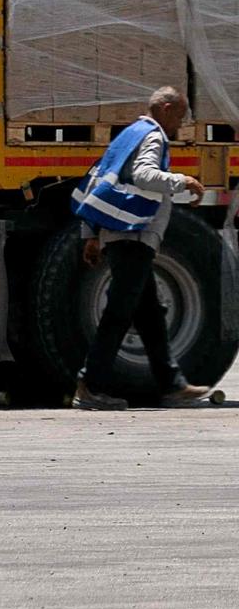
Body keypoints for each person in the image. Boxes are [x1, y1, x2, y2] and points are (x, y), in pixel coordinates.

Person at [70, 86, 218, 410]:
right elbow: (144, 174)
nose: (179, 126)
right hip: (132, 235)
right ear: (165, 108)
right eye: (178, 117)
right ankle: (90, 385)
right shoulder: (153, 136)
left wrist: (91, 234)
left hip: (120, 234)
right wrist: (182, 181)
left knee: (150, 314)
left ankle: (172, 385)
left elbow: (99, 180)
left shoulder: (128, 135)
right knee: (118, 313)